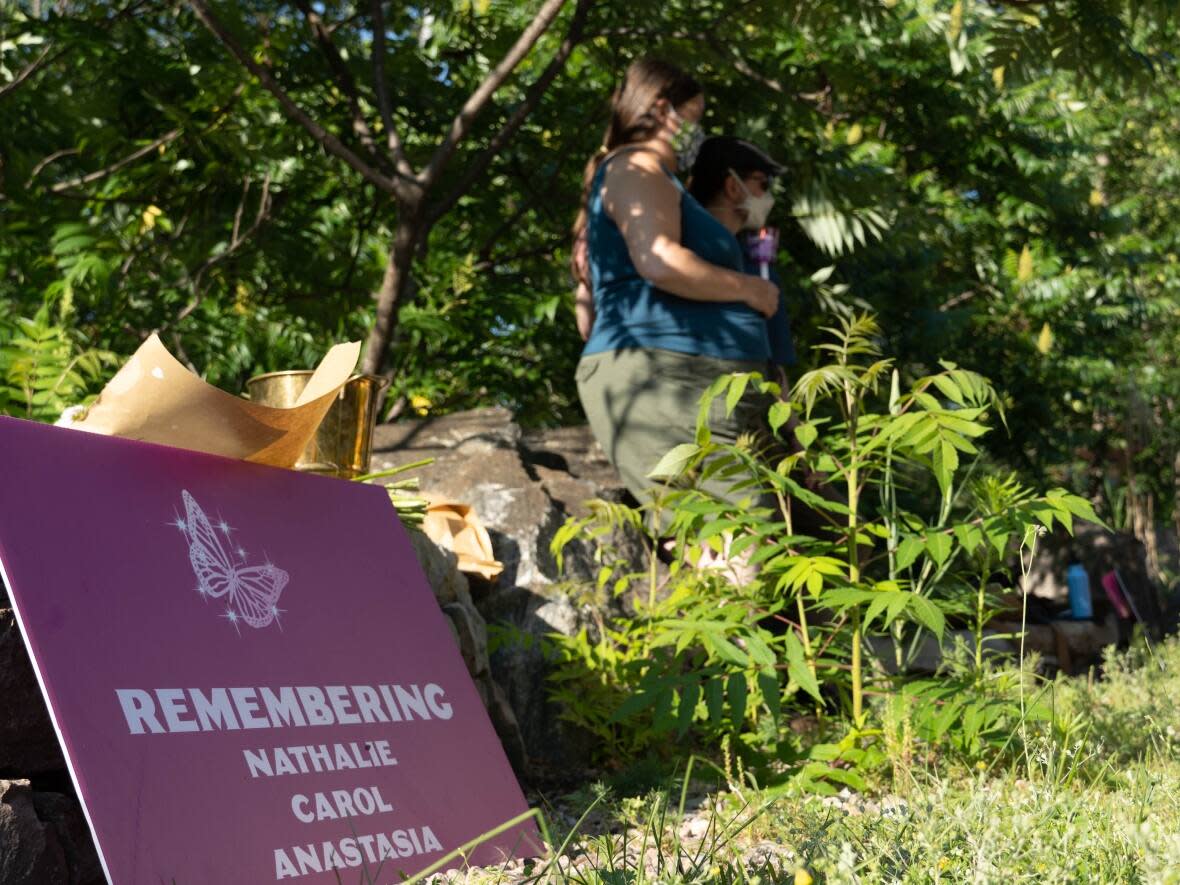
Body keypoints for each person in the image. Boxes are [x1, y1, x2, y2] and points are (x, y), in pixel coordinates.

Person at [571, 58, 780, 509]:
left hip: (687, 382)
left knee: (739, 547)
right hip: (668, 383)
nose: (696, 135)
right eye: (694, 119)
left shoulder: (647, 177)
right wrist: (750, 290)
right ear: (664, 110)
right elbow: (659, 260)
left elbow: (586, 311)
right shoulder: (638, 168)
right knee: (739, 547)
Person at [686, 135, 796, 385]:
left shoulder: (756, 262)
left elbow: (773, 364)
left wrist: (788, 422)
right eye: (763, 184)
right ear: (733, 187)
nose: (768, 197)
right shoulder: (683, 251)